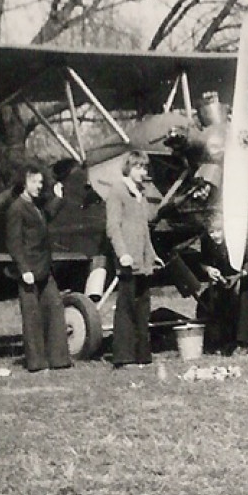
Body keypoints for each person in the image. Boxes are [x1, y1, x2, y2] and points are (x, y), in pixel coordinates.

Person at [5, 163, 72, 372]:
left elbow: (48, 215)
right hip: (29, 272)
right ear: (24, 183)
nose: (38, 186)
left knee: (55, 308)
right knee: (32, 317)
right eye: (34, 182)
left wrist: (59, 197)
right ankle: (36, 363)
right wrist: (24, 269)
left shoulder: (37, 205)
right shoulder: (17, 208)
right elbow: (13, 244)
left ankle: (59, 360)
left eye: (40, 182)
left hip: (43, 268)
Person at [106, 150, 162, 368]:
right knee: (126, 309)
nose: (143, 172)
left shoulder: (141, 193)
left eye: (145, 168)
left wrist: (153, 255)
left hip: (143, 262)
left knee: (142, 309)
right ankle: (123, 357)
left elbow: (144, 230)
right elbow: (113, 227)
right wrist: (123, 254)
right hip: (128, 261)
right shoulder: (118, 191)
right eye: (138, 167)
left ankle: (142, 355)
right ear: (128, 168)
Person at [194, 219, 248, 355]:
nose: (215, 236)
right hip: (224, 275)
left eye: (218, 231)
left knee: (244, 303)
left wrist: (239, 276)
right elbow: (204, 261)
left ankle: (243, 342)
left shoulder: (242, 239)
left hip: (245, 273)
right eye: (211, 232)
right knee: (221, 303)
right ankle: (224, 341)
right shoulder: (207, 241)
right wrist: (209, 269)